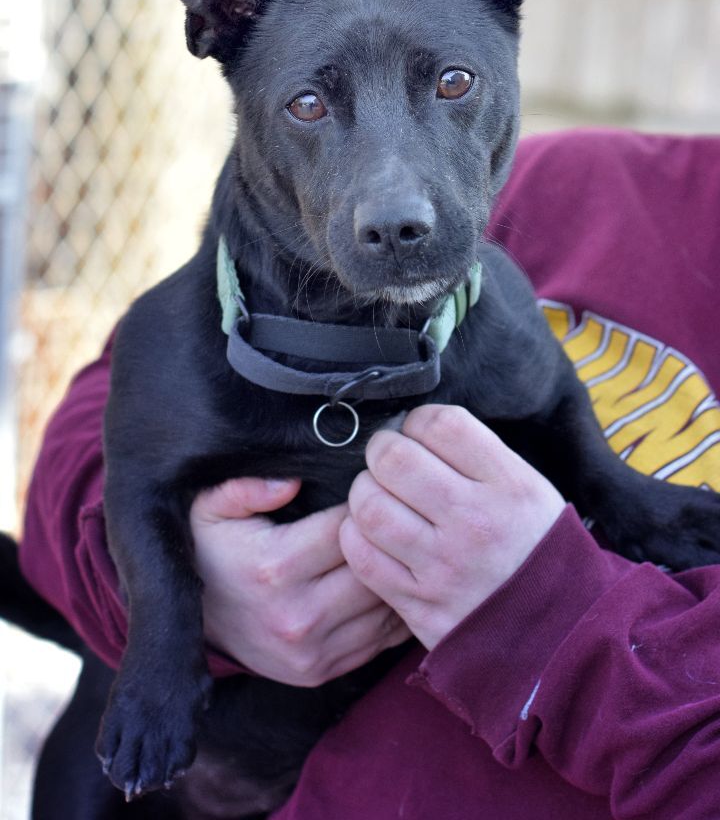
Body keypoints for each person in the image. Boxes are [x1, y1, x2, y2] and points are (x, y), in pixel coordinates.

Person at [19, 129, 720, 818]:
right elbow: (96, 431)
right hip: (165, 760)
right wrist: (169, 601)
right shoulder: (566, 180)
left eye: (447, 86)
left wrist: (547, 622)